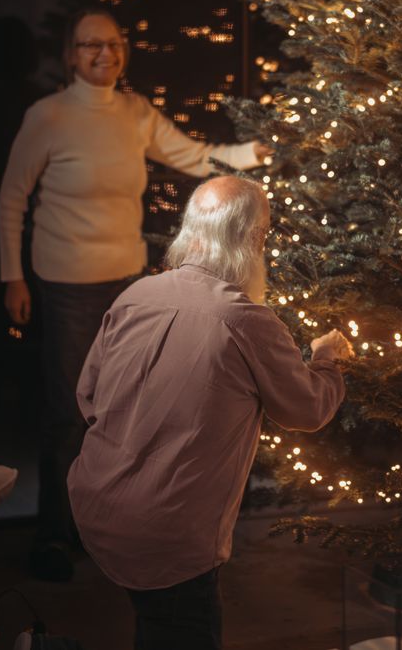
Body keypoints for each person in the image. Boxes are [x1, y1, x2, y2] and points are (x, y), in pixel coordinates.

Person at [0, 8, 272, 581]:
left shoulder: (135, 113)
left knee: (125, 406)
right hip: (66, 282)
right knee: (66, 409)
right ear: (71, 54)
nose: (104, 54)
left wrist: (250, 155)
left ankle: (105, 525)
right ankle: (53, 535)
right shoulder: (46, 117)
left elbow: (194, 156)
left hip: (128, 285)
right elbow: (11, 201)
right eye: (91, 45)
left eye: (114, 44)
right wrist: (13, 277)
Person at [68, 175, 350, 650]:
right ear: (253, 240)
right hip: (171, 532)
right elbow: (307, 410)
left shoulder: (134, 297)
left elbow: (88, 397)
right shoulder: (246, 321)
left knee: (154, 620)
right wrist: (327, 358)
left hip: (96, 503)